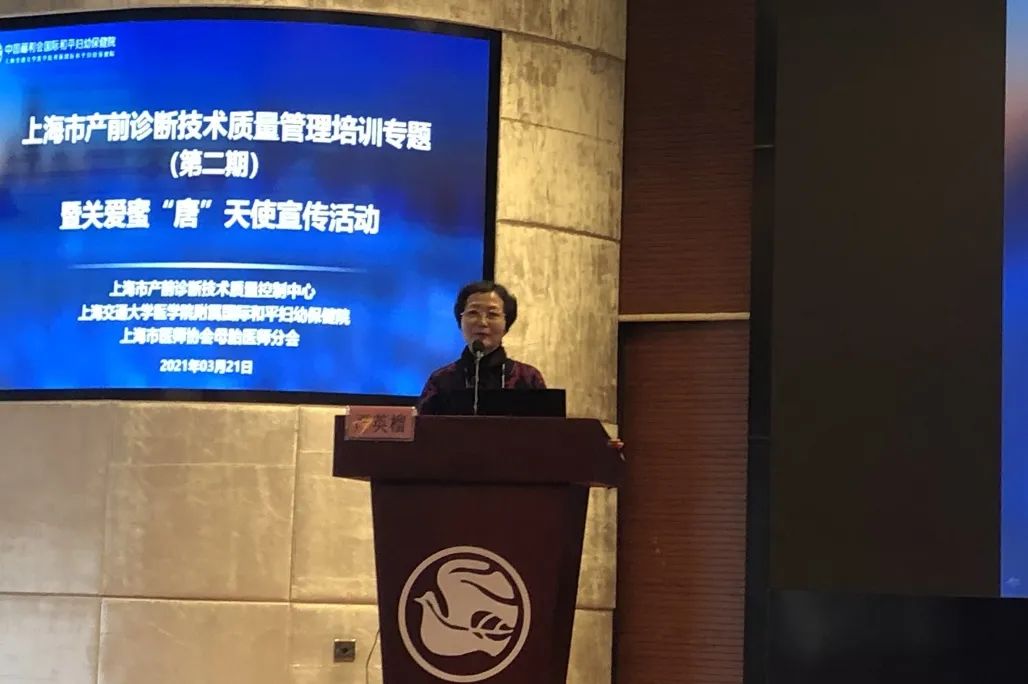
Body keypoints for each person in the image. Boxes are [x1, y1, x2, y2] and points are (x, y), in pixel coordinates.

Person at [416, 280, 546, 414]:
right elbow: (421, 425)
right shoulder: (441, 380)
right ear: (460, 321)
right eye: (473, 313)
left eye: (492, 314)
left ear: (506, 324)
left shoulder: (528, 378)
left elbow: (545, 425)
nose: (482, 322)